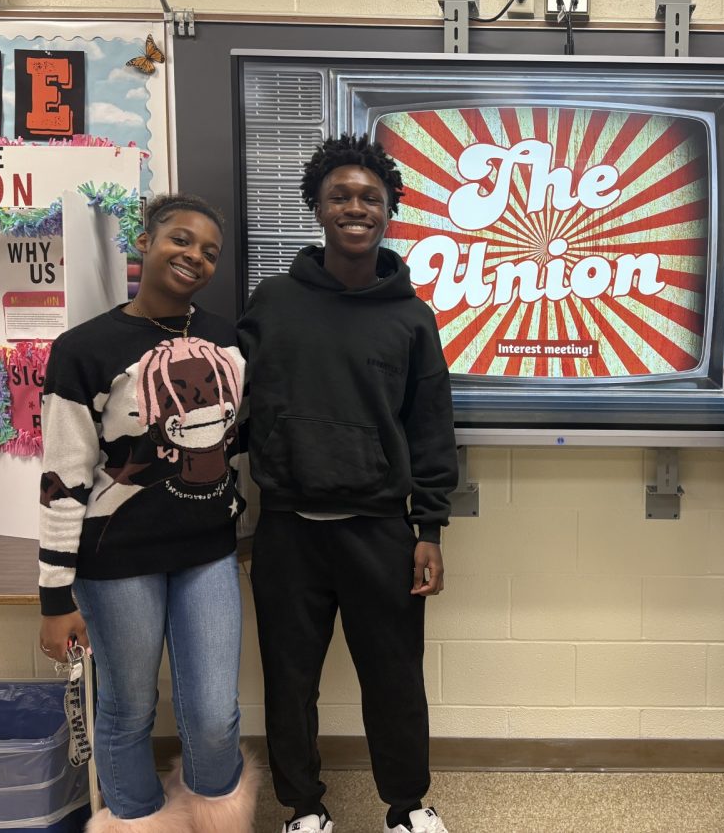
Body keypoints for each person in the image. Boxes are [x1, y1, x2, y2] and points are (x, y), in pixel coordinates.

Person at [238, 133, 458, 833]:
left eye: (370, 197)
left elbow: (430, 427)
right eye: (340, 196)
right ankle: (305, 810)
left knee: (395, 681)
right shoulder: (271, 303)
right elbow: (236, 409)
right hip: (288, 530)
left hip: (381, 530)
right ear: (317, 207)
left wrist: (428, 528)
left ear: (390, 209)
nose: (355, 207)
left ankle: (407, 806)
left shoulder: (411, 316)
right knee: (290, 681)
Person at [37, 194, 258, 832]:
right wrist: (55, 598)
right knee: (129, 708)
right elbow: (63, 480)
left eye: (210, 252)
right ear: (147, 241)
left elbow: (233, 443)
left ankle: (216, 820)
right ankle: (135, 822)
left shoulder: (226, 338)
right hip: (115, 564)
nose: (195, 257)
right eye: (181, 240)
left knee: (215, 716)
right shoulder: (84, 349)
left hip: (207, 555)